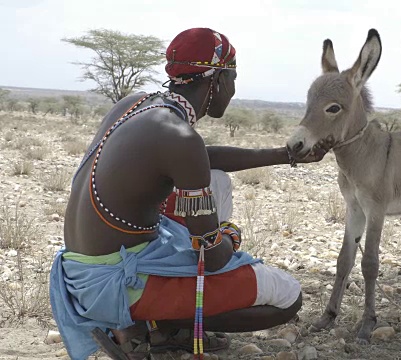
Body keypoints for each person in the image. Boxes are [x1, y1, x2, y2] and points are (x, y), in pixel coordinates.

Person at [49, 27, 334, 360]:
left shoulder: (137, 104)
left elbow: (203, 158)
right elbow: (212, 256)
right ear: (218, 80)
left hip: (84, 266)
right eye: (233, 78)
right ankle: (149, 326)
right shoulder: (180, 138)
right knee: (287, 296)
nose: (233, 89)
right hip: (112, 287)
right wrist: (230, 236)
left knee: (217, 180)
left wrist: (284, 156)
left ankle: (164, 326)